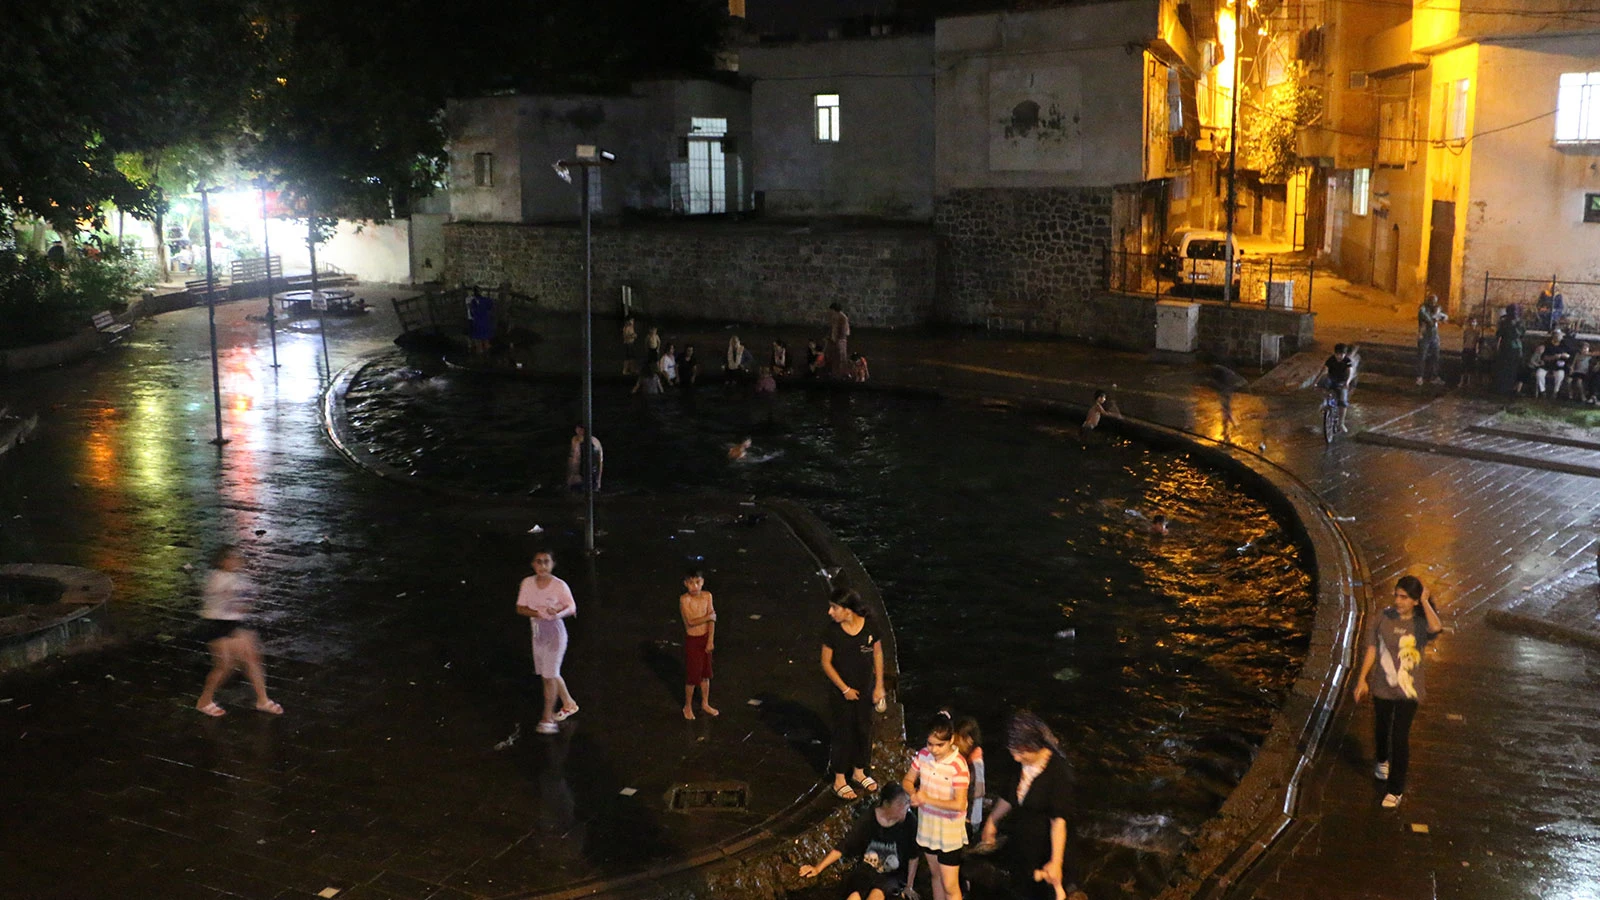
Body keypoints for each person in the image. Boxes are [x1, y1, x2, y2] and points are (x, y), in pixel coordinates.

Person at [1352, 575, 1443, 809]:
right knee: (1382, 727)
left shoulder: (1421, 624)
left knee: (1400, 735)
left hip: (1408, 690)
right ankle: (1382, 759)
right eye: (1396, 595)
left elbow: (1437, 627)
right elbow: (1372, 648)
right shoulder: (1382, 618)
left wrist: (1424, 601)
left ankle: (1395, 789)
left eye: (1404, 597)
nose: (1398, 600)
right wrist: (1362, 679)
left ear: (1414, 600)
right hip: (1382, 685)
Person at [979, 711, 1082, 900]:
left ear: (1033, 746)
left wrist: (1056, 863)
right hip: (1024, 849)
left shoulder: (1058, 774)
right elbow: (1010, 795)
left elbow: (1058, 821)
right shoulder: (1019, 763)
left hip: (1048, 851)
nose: (1016, 758)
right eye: (1013, 752)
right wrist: (992, 821)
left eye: (1019, 752)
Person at [195, 545, 283, 717]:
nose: (238, 560)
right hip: (220, 625)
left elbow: (246, 599)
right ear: (223, 561)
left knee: (252, 659)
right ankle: (204, 701)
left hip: (236, 623)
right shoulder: (218, 579)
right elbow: (234, 602)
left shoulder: (236, 577)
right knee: (225, 666)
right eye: (233, 558)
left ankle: (263, 700)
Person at [797, 783, 922, 900]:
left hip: (893, 874)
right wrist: (818, 868)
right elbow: (846, 844)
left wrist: (909, 886)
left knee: (876, 896)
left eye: (906, 803)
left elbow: (913, 856)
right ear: (886, 804)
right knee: (854, 896)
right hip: (867, 870)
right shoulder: (870, 817)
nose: (906, 807)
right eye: (900, 804)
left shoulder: (910, 822)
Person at [821, 587, 886, 800]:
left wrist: (879, 686)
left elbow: (877, 653)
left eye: (834, 608)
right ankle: (839, 778)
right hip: (842, 693)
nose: (830, 612)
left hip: (865, 691)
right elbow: (826, 663)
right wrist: (845, 689)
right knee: (843, 733)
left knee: (863, 730)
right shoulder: (832, 632)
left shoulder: (870, 626)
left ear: (848, 610)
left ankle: (859, 771)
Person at [903, 712, 970, 900]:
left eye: (940, 745)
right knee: (935, 876)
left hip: (949, 832)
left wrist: (926, 799)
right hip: (928, 828)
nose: (934, 749)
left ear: (951, 740)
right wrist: (913, 793)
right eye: (930, 744)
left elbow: (959, 804)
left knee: (950, 884)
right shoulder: (923, 755)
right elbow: (907, 780)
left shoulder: (958, 765)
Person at [516, 550, 579, 734]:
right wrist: (538, 613)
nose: (542, 566)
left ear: (552, 564)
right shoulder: (527, 583)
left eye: (546, 562)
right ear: (533, 564)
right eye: (538, 562)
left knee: (548, 676)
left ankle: (547, 718)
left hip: (555, 633)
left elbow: (572, 607)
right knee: (549, 671)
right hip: (537, 632)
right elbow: (520, 608)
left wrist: (557, 613)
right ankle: (568, 703)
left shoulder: (559, 585)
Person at [679, 568, 719, 720]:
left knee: (705, 674)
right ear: (685, 584)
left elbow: (712, 621)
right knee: (692, 676)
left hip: (705, 638)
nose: (694, 586)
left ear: (702, 582)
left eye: (697, 582)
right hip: (693, 640)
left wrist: (710, 639)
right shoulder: (684, 599)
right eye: (691, 583)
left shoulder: (707, 596)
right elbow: (690, 621)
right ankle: (687, 706)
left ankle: (705, 702)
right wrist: (709, 616)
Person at [953, 716, 986, 838]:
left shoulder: (975, 759)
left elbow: (979, 790)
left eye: (957, 738)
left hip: (969, 820)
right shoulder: (965, 757)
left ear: (969, 739)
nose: (954, 742)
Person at [1314, 343, 1355, 433]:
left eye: (1342, 354)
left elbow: (1350, 373)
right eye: (1338, 354)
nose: (1339, 356)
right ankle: (1326, 403)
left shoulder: (1347, 361)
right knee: (1322, 385)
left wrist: (1347, 382)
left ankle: (1341, 423)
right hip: (1332, 379)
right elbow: (1324, 370)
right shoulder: (1331, 360)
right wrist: (1316, 381)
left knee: (1343, 402)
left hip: (1342, 382)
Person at [1491, 304, 1526, 397]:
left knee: (1513, 368)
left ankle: (1512, 389)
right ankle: (1505, 388)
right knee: (1507, 369)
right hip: (1507, 347)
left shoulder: (1518, 322)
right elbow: (1499, 335)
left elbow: (1521, 334)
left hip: (1513, 348)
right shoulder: (1505, 322)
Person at [1416, 293, 1448, 386]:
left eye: (1435, 302)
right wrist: (1435, 317)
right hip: (1424, 335)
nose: (1434, 303)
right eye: (1432, 301)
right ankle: (1420, 377)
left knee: (1435, 356)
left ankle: (1434, 376)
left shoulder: (1435, 309)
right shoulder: (1423, 309)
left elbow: (1445, 317)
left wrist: (1441, 316)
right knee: (1422, 356)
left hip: (1434, 335)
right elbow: (1429, 320)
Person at [1535, 329, 1571, 399]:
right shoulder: (1547, 344)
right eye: (1556, 335)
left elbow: (1569, 355)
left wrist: (1565, 356)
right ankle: (1543, 391)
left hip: (1558, 366)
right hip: (1547, 365)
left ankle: (1555, 392)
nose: (1558, 336)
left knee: (1560, 375)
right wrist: (1553, 357)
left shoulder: (1564, 345)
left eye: (1559, 335)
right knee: (1539, 374)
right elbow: (1544, 357)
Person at [566, 425, 603, 492]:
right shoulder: (575, 440)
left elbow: (599, 462)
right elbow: (573, 460)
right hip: (580, 476)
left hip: (588, 476)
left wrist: (598, 481)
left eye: (580, 430)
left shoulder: (594, 442)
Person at [466, 287, 494, 355]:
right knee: (486, 340)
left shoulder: (473, 301)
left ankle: (480, 357)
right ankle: (488, 356)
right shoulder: (486, 300)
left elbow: (472, 313)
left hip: (477, 322)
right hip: (485, 321)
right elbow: (491, 306)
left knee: (478, 342)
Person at [828, 303, 853, 378]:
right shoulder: (836, 317)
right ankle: (837, 373)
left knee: (841, 357)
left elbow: (844, 331)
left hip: (840, 340)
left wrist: (837, 339)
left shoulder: (842, 317)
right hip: (837, 340)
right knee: (836, 357)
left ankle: (843, 373)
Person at [1459, 317, 1482, 388]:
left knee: (1470, 366)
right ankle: (1462, 381)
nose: (1472, 324)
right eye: (1471, 322)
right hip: (1466, 349)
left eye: (1474, 322)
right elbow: (1465, 340)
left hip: (1472, 349)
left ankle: (1469, 382)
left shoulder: (1477, 332)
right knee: (1464, 365)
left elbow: (1477, 341)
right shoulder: (1466, 331)